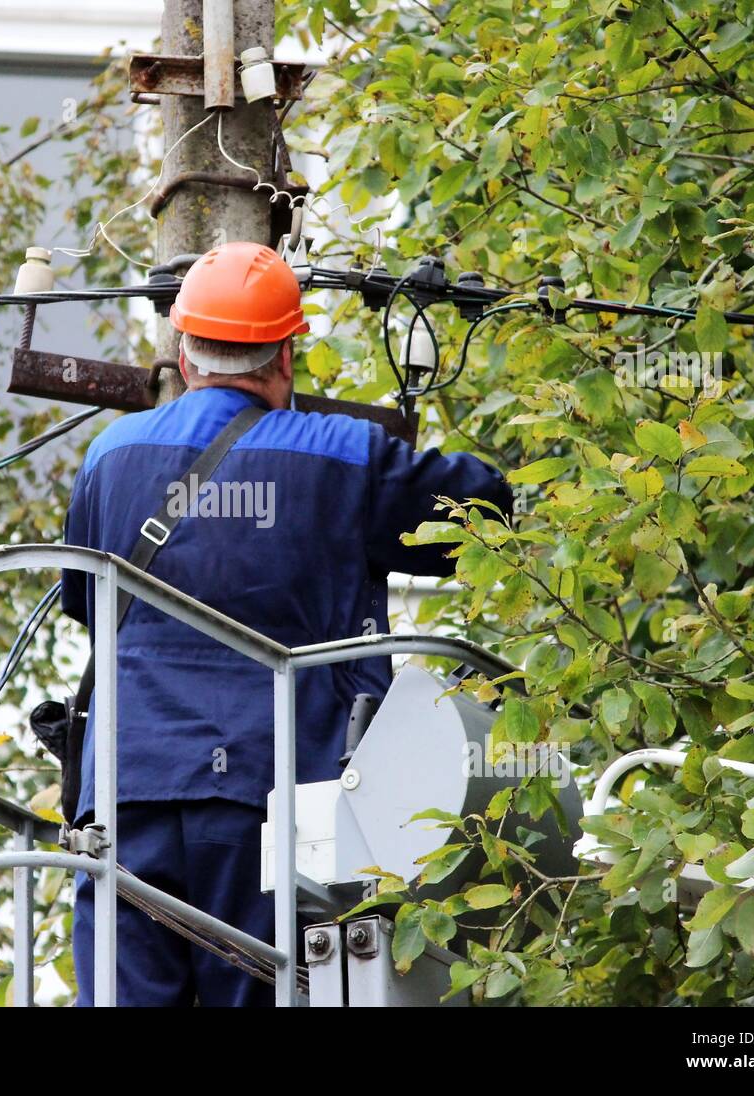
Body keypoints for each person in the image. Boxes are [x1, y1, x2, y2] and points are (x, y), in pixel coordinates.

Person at [60, 241, 512, 1006]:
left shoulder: (110, 454)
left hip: (125, 794)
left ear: (183, 349)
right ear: (286, 354)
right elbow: (487, 514)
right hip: (268, 804)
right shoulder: (347, 458)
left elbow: (85, 602)